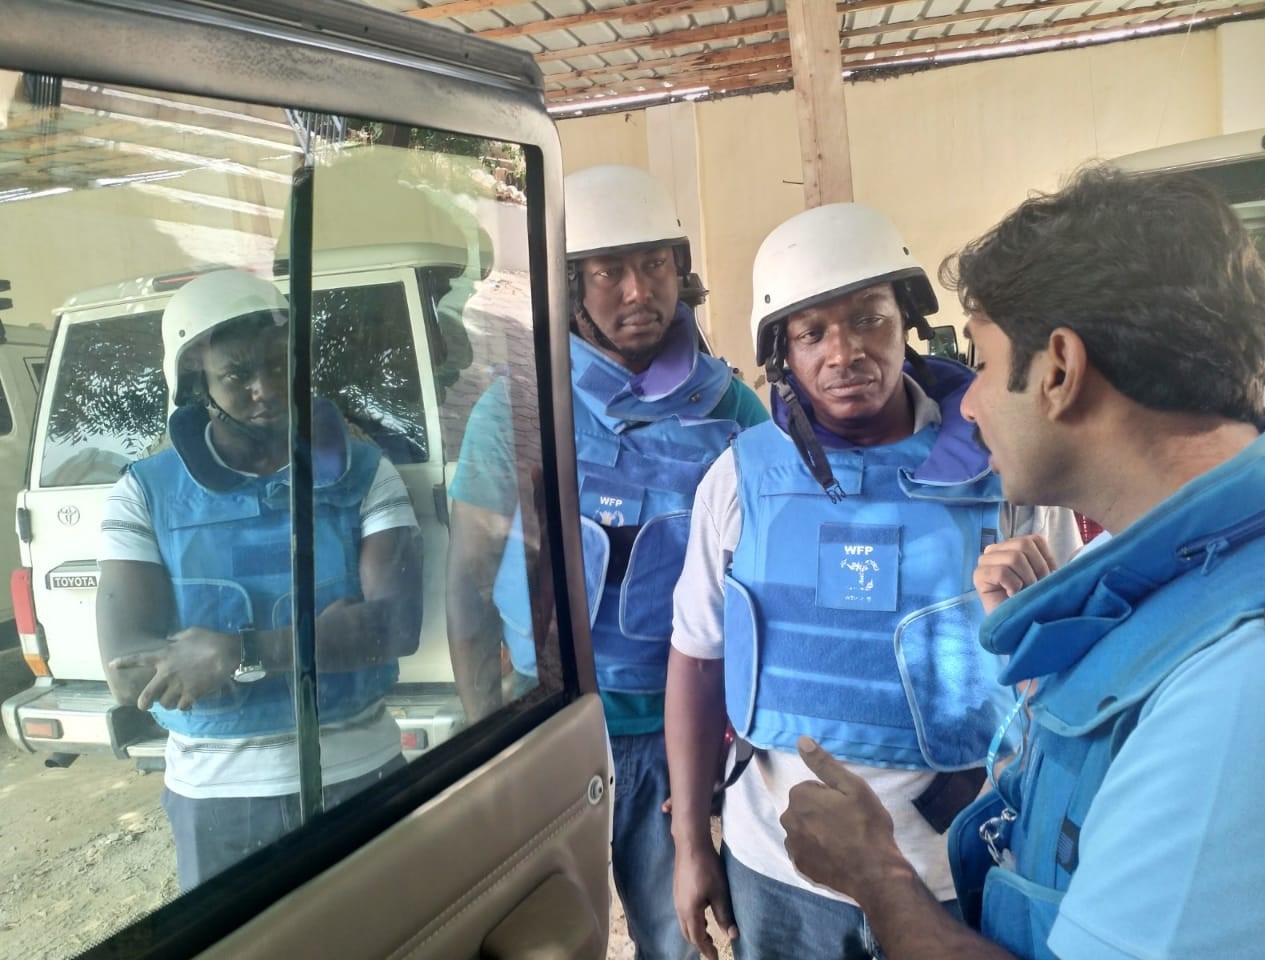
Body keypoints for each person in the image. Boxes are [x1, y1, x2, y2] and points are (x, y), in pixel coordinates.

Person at [780, 166, 1265, 959]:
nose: (968, 404)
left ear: (1058, 371)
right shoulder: (1167, 570)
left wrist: (877, 875)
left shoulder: (1240, 682)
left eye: (979, 362)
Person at [666, 201, 1081, 960]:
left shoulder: (1009, 471)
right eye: (812, 332)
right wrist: (692, 842)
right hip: (778, 869)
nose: (844, 351)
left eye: (869, 319)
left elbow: (1071, 682)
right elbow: (696, 660)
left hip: (958, 862)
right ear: (780, 353)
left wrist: (1037, 627)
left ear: (908, 324)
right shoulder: (737, 479)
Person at [446, 164, 766, 959]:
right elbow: (468, 579)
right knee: (545, 940)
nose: (636, 291)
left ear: (680, 270)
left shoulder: (731, 410)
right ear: (571, 286)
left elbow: (767, 588)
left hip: (680, 736)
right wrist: (484, 737)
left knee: (684, 938)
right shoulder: (518, 409)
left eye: (654, 264)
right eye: (610, 271)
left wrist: (746, 741)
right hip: (553, 727)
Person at [98, 268, 423, 892]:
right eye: (236, 374)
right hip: (217, 797)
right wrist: (328, 640)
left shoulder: (364, 473)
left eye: (278, 364)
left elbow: (395, 627)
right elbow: (127, 671)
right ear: (197, 378)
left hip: (361, 772)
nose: (265, 389)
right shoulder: (143, 493)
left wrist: (236, 653)